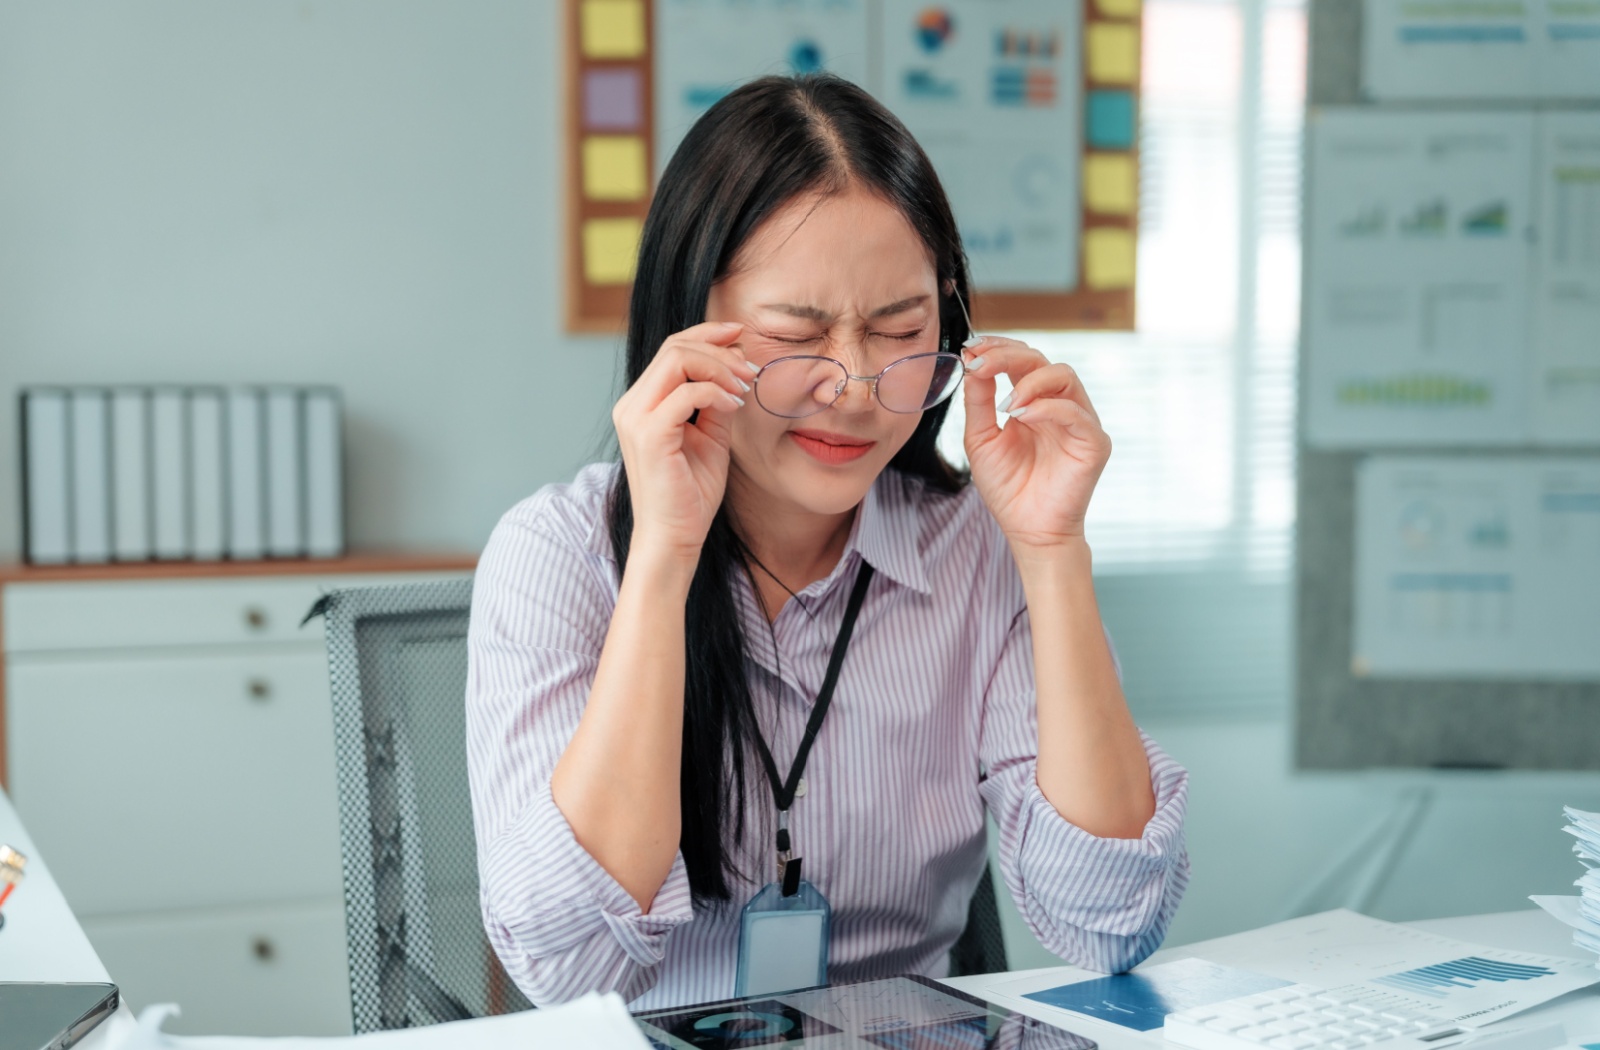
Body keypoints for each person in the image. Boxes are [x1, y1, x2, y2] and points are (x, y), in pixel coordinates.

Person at [465, 73, 1189, 1011]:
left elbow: (1110, 925)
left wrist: (1052, 552)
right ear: (692, 321)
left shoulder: (979, 549)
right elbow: (565, 965)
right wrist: (663, 563)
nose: (853, 385)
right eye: (793, 334)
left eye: (900, 330)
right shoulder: (554, 556)